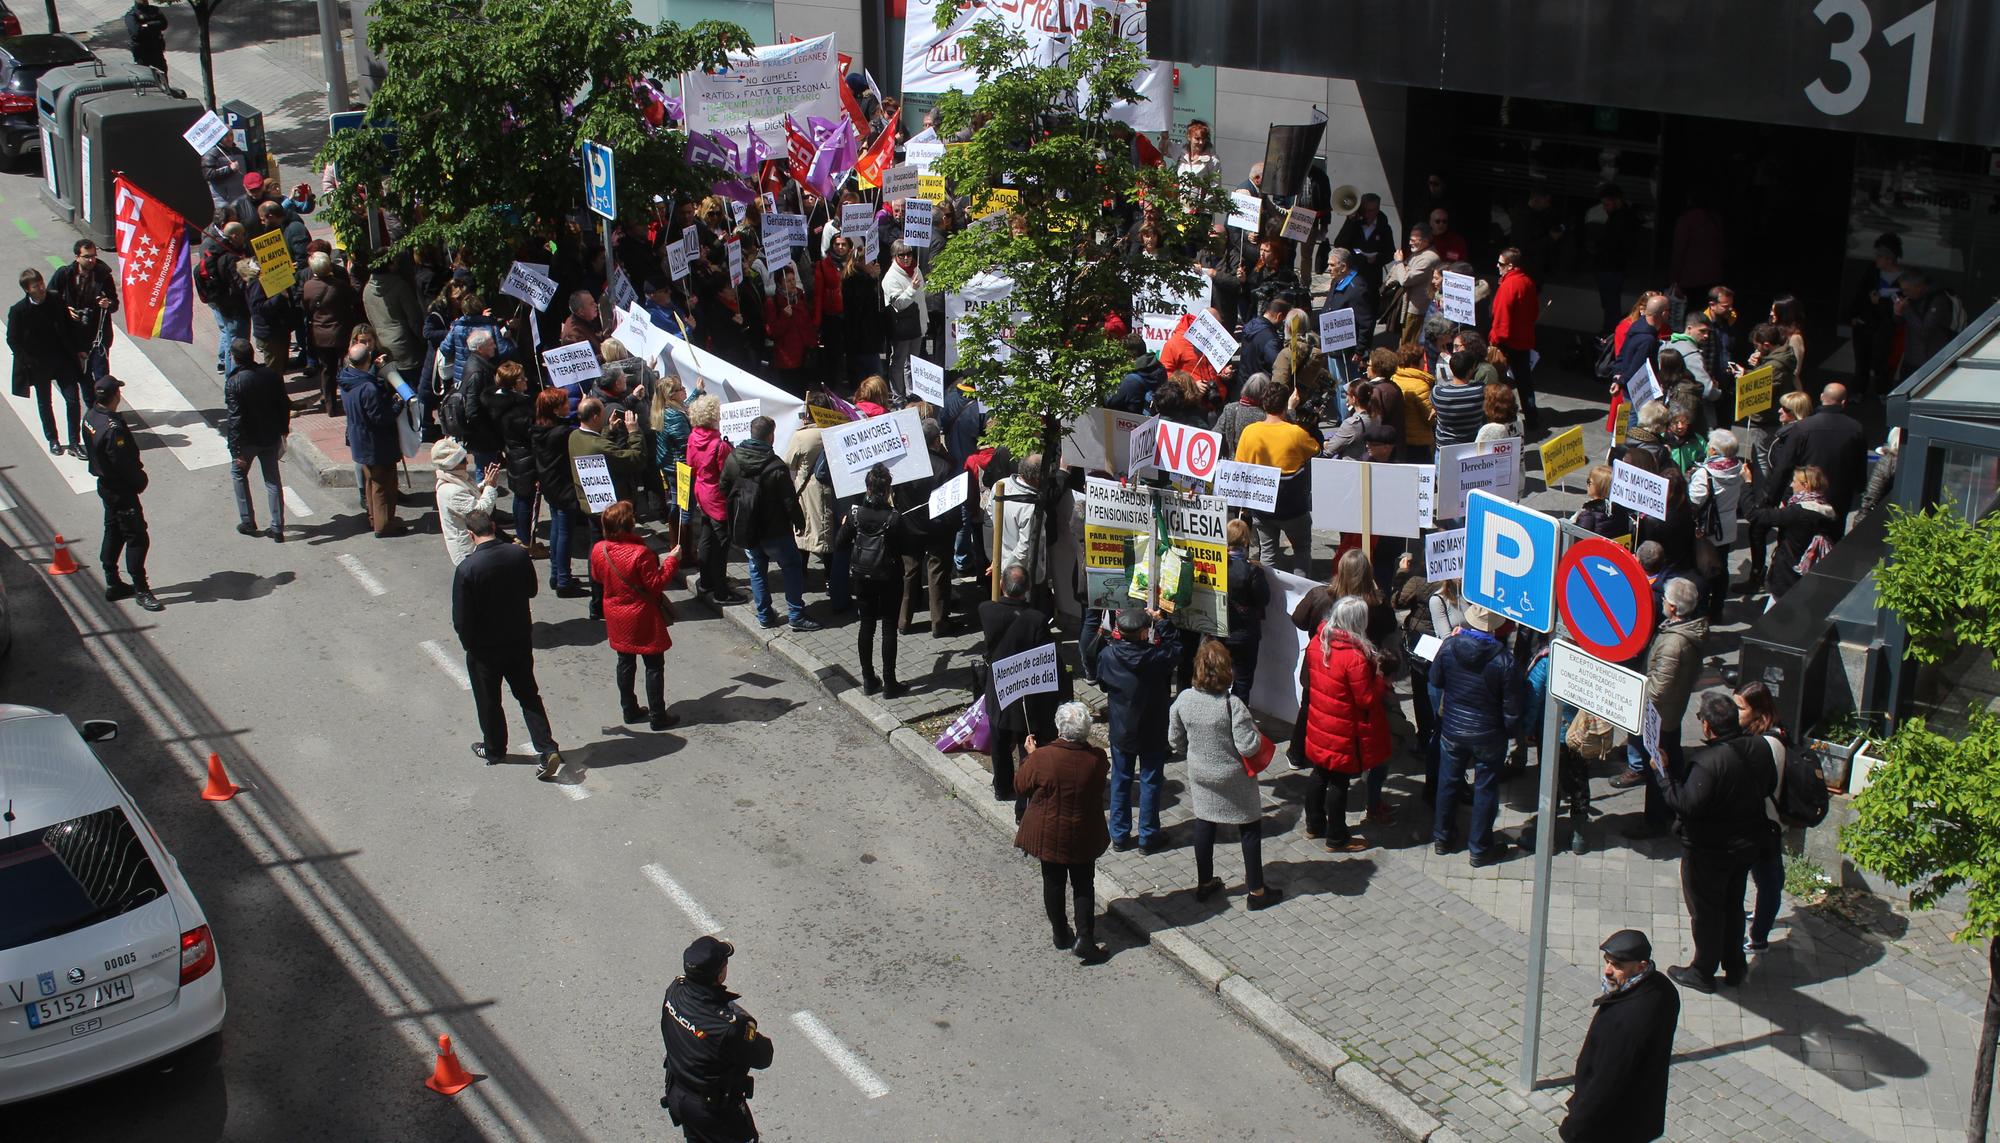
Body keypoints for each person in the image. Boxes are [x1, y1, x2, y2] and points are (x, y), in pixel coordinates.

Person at [1651, 692, 1778, 993]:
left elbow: (1685, 804)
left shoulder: (1708, 762)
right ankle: (1735, 966)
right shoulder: (1759, 746)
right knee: (1734, 903)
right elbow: (1769, 784)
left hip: (1710, 850)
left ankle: (1702, 971)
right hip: (1747, 843)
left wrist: (1663, 775)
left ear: (1707, 727)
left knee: (1706, 911)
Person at [454, 508, 564, 781]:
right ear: (492, 525)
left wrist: (470, 645)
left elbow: (462, 618)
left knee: (489, 700)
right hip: (518, 640)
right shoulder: (517, 554)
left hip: (484, 648)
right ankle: (547, 747)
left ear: (470, 534)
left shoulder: (468, 568)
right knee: (528, 695)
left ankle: (494, 749)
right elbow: (531, 590)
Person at [1171, 639, 1281, 909]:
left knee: (1204, 823)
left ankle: (1205, 882)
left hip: (1201, 773)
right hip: (1234, 777)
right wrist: (1255, 731)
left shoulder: (1184, 699)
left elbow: (1175, 740)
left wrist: (1191, 751)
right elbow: (1248, 745)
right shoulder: (1233, 705)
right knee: (1250, 827)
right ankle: (1256, 891)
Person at [1559, 929, 1680, 1143]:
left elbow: (1606, 1082)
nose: (1607, 971)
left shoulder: (1628, 1020)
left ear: (1641, 966)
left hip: (1611, 1125)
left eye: (1617, 966)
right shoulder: (1663, 988)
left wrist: (1574, 1128)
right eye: (1607, 961)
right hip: (1640, 1114)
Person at [1013, 701, 1112, 965]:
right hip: (1083, 833)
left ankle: (1060, 933)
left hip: (1049, 834)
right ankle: (1085, 938)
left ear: (1059, 728)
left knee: (1053, 882)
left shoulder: (1043, 758)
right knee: (1083, 885)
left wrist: (1031, 756)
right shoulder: (1097, 759)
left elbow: (1021, 786)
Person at [1429, 603, 1526, 865]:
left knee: (1448, 782)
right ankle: (1480, 848)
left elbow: (1435, 679)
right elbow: (1512, 707)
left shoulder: (1449, 647)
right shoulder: (1504, 661)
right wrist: (1508, 733)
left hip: (1452, 729)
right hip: (1488, 735)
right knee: (1485, 789)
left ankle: (1442, 837)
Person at [1299, 596, 1393, 852]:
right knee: (1339, 782)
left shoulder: (1318, 643)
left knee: (1319, 774)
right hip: (1342, 730)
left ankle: (1314, 825)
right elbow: (1366, 699)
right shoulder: (1354, 657)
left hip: (1320, 722)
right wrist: (1381, 680)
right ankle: (1337, 836)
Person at [660, 935, 773, 1142]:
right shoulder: (728, 1027)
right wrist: (740, 1021)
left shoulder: (674, 991)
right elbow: (764, 1056)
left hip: (679, 1093)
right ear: (719, 975)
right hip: (713, 1112)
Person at [720, 415, 821, 634]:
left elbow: (723, 487)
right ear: (770, 436)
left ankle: (764, 616)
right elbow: (789, 501)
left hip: (748, 529)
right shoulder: (776, 466)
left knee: (757, 569)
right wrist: (799, 523)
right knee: (792, 567)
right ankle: (796, 615)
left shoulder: (734, 459)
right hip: (776, 531)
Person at [589, 500, 683, 731]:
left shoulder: (598, 550)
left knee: (625, 661)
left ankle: (629, 709)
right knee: (653, 665)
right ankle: (658, 715)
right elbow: (656, 584)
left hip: (616, 613)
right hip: (641, 614)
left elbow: (598, 577)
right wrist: (672, 561)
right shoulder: (640, 553)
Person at [1096, 608, 1180, 853]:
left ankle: (1119, 836)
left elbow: (1103, 684)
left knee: (1121, 781)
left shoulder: (1108, 656)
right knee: (1150, 782)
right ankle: (1148, 835)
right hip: (1152, 728)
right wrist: (1163, 623)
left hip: (1122, 728)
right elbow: (1177, 650)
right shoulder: (1156, 657)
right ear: (1145, 632)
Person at [80, 377, 162, 612]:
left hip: (106, 486)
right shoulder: (112, 428)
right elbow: (123, 462)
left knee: (114, 529)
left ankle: (112, 580)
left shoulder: (91, 417)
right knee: (137, 537)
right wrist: (139, 481)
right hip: (120, 489)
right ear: (115, 396)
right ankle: (141, 589)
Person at [837, 462, 913, 697]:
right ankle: (890, 683)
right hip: (889, 577)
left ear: (867, 488)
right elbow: (906, 547)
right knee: (889, 627)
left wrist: (845, 527)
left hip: (862, 576)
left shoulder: (855, 514)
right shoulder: (894, 518)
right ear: (888, 489)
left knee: (866, 625)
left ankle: (869, 679)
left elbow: (839, 544)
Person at [569, 396, 648, 620]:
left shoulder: (575, 436)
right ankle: (619, 601)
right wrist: (634, 433)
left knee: (596, 555)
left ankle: (597, 605)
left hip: (590, 507)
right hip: (610, 511)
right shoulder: (599, 446)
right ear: (595, 416)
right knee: (617, 557)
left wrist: (609, 431)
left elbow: (596, 447)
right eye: (602, 413)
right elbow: (635, 459)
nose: (605, 416)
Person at [1234, 383, 1319, 572]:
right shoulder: (1296, 433)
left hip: (1262, 507)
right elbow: (1315, 450)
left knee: (1268, 553)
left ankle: (1267, 593)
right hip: (1294, 506)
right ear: (1284, 406)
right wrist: (1292, 411)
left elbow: (1239, 466)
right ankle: (1302, 594)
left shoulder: (1250, 432)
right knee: (1302, 550)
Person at [8, 267, 86, 457]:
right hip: (39, 364)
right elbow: (13, 339)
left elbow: (68, 326)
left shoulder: (55, 299)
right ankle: (53, 440)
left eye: (41, 283)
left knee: (73, 400)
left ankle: (75, 442)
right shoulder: (19, 311)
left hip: (62, 359)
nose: (41, 288)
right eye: (36, 286)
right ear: (28, 289)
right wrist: (27, 361)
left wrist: (79, 349)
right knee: (45, 402)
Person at [1767, 383, 1867, 525]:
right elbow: (1860, 465)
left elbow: (1784, 467)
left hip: (1805, 498)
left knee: (1796, 541)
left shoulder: (1803, 428)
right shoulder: (1856, 429)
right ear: (1844, 402)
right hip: (1838, 498)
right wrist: (1859, 488)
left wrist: (1771, 502)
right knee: (1831, 541)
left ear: (1821, 397)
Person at [682, 395, 747, 606]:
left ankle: (707, 580)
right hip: (717, 498)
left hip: (701, 491)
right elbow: (727, 475)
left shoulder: (693, 437)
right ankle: (721, 592)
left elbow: (690, 464)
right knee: (721, 545)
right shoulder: (719, 446)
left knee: (707, 537)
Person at [223, 338, 289, 541]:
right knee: (272, 481)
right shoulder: (270, 374)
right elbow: (283, 404)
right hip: (270, 437)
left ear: (234, 358)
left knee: (238, 474)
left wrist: (235, 451)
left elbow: (235, 419)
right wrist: (283, 430)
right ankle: (277, 527)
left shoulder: (234, 382)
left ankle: (248, 521)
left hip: (248, 442)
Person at [1746, 465, 1841, 602]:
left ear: (1806, 485)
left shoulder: (1798, 512)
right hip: (1808, 580)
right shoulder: (1826, 510)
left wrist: (1747, 483)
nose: (1791, 485)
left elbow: (1754, 515)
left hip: (1787, 577)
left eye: (1794, 481)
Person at [340, 343, 406, 538]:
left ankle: (374, 518)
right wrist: (397, 406)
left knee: (371, 481)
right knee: (383, 484)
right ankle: (384, 524)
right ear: (367, 360)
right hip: (376, 442)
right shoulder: (368, 388)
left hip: (360, 439)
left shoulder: (347, 378)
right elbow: (380, 418)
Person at [532, 388, 588, 597]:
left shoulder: (540, 429)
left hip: (550, 485)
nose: (569, 406)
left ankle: (558, 574)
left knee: (557, 529)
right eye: (565, 404)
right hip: (563, 487)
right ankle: (563, 580)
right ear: (555, 410)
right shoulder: (561, 434)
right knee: (564, 533)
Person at [1687, 429, 1745, 621]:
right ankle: (1717, 609)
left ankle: (1701, 610)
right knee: (1721, 568)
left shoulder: (1706, 474)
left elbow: (1693, 501)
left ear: (1713, 450)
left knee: (1703, 570)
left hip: (1707, 528)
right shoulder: (1738, 467)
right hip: (1727, 525)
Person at [50, 240, 119, 381]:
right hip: (74, 334)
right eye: (87, 256)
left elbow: (115, 304)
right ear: (77, 257)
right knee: (82, 377)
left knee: (101, 376)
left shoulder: (103, 276)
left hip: (97, 335)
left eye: (93, 256)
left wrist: (107, 303)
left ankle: (101, 401)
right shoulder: (65, 274)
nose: (91, 260)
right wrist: (65, 310)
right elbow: (50, 299)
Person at [301, 252, 359, 414]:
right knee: (345, 367)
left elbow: (306, 308)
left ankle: (330, 406)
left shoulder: (308, 286)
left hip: (320, 335)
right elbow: (354, 296)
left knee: (327, 370)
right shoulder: (339, 285)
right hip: (340, 332)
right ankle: (350, 402)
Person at [1488, 247, 1539, 429]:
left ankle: (1503, 416)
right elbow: (1534, 312)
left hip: (1507, 342)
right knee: (1525, 381)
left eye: (1501, 264)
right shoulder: (1527, 281)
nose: (1497, 266)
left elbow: (1501, 316)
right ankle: (1532, 417)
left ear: (1510, 266)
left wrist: (1495, 340)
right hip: (1523, 339)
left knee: (1500, 382)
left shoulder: (1509, 285)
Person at [432, 438, 502, 566]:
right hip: (467, 550)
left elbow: (470, 493)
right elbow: (480, 512)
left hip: (474, 543)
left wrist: (485, 484)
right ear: (454, 464)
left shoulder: (453, 478)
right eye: (463, 460)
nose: (467, 461)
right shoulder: (451, 491)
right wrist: (490, 487)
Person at [1222, 518, 1268, 699]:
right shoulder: (1253, 571)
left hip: (1219, 632)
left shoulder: (1218, 566)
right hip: (1244, 634)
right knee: (1242, 683)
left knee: (1217, 680)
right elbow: (1263, 599)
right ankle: (1237, 720)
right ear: (1246, 541)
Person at [1894, 268, 1955, 383]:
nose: (1905, 294)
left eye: (1907, 290)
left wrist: (1906, 310)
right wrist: (1898, 312)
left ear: (1919, 287)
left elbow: (1924, 331)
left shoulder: (1938, 300)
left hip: (1928, 359)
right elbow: (1900, 323)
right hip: (1910, 356)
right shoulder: (1912, 299)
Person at [882, 241, 926, 396]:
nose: (907, 258)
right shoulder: (890, 277)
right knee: (899, 362)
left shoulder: (915, 269)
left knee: (913, 363)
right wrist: (911, 289)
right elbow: (899, 304)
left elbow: (922, 297)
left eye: (909, 254)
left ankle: (912, 393)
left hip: (916, 325)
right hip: (901, 326)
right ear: (895, 256)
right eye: (902, 255)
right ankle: (898, 395)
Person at [1388, 224, 1442, 345]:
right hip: (1408, 305)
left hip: (1416, 309)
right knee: (1404, 341)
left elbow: (1405, 279)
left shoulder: (1428, 258)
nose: (1410, 243)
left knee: (1409, 345)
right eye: (1410, 239)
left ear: (1425, 241)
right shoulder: (1418, 253)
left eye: (1413, 240)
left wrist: (1399, 262)